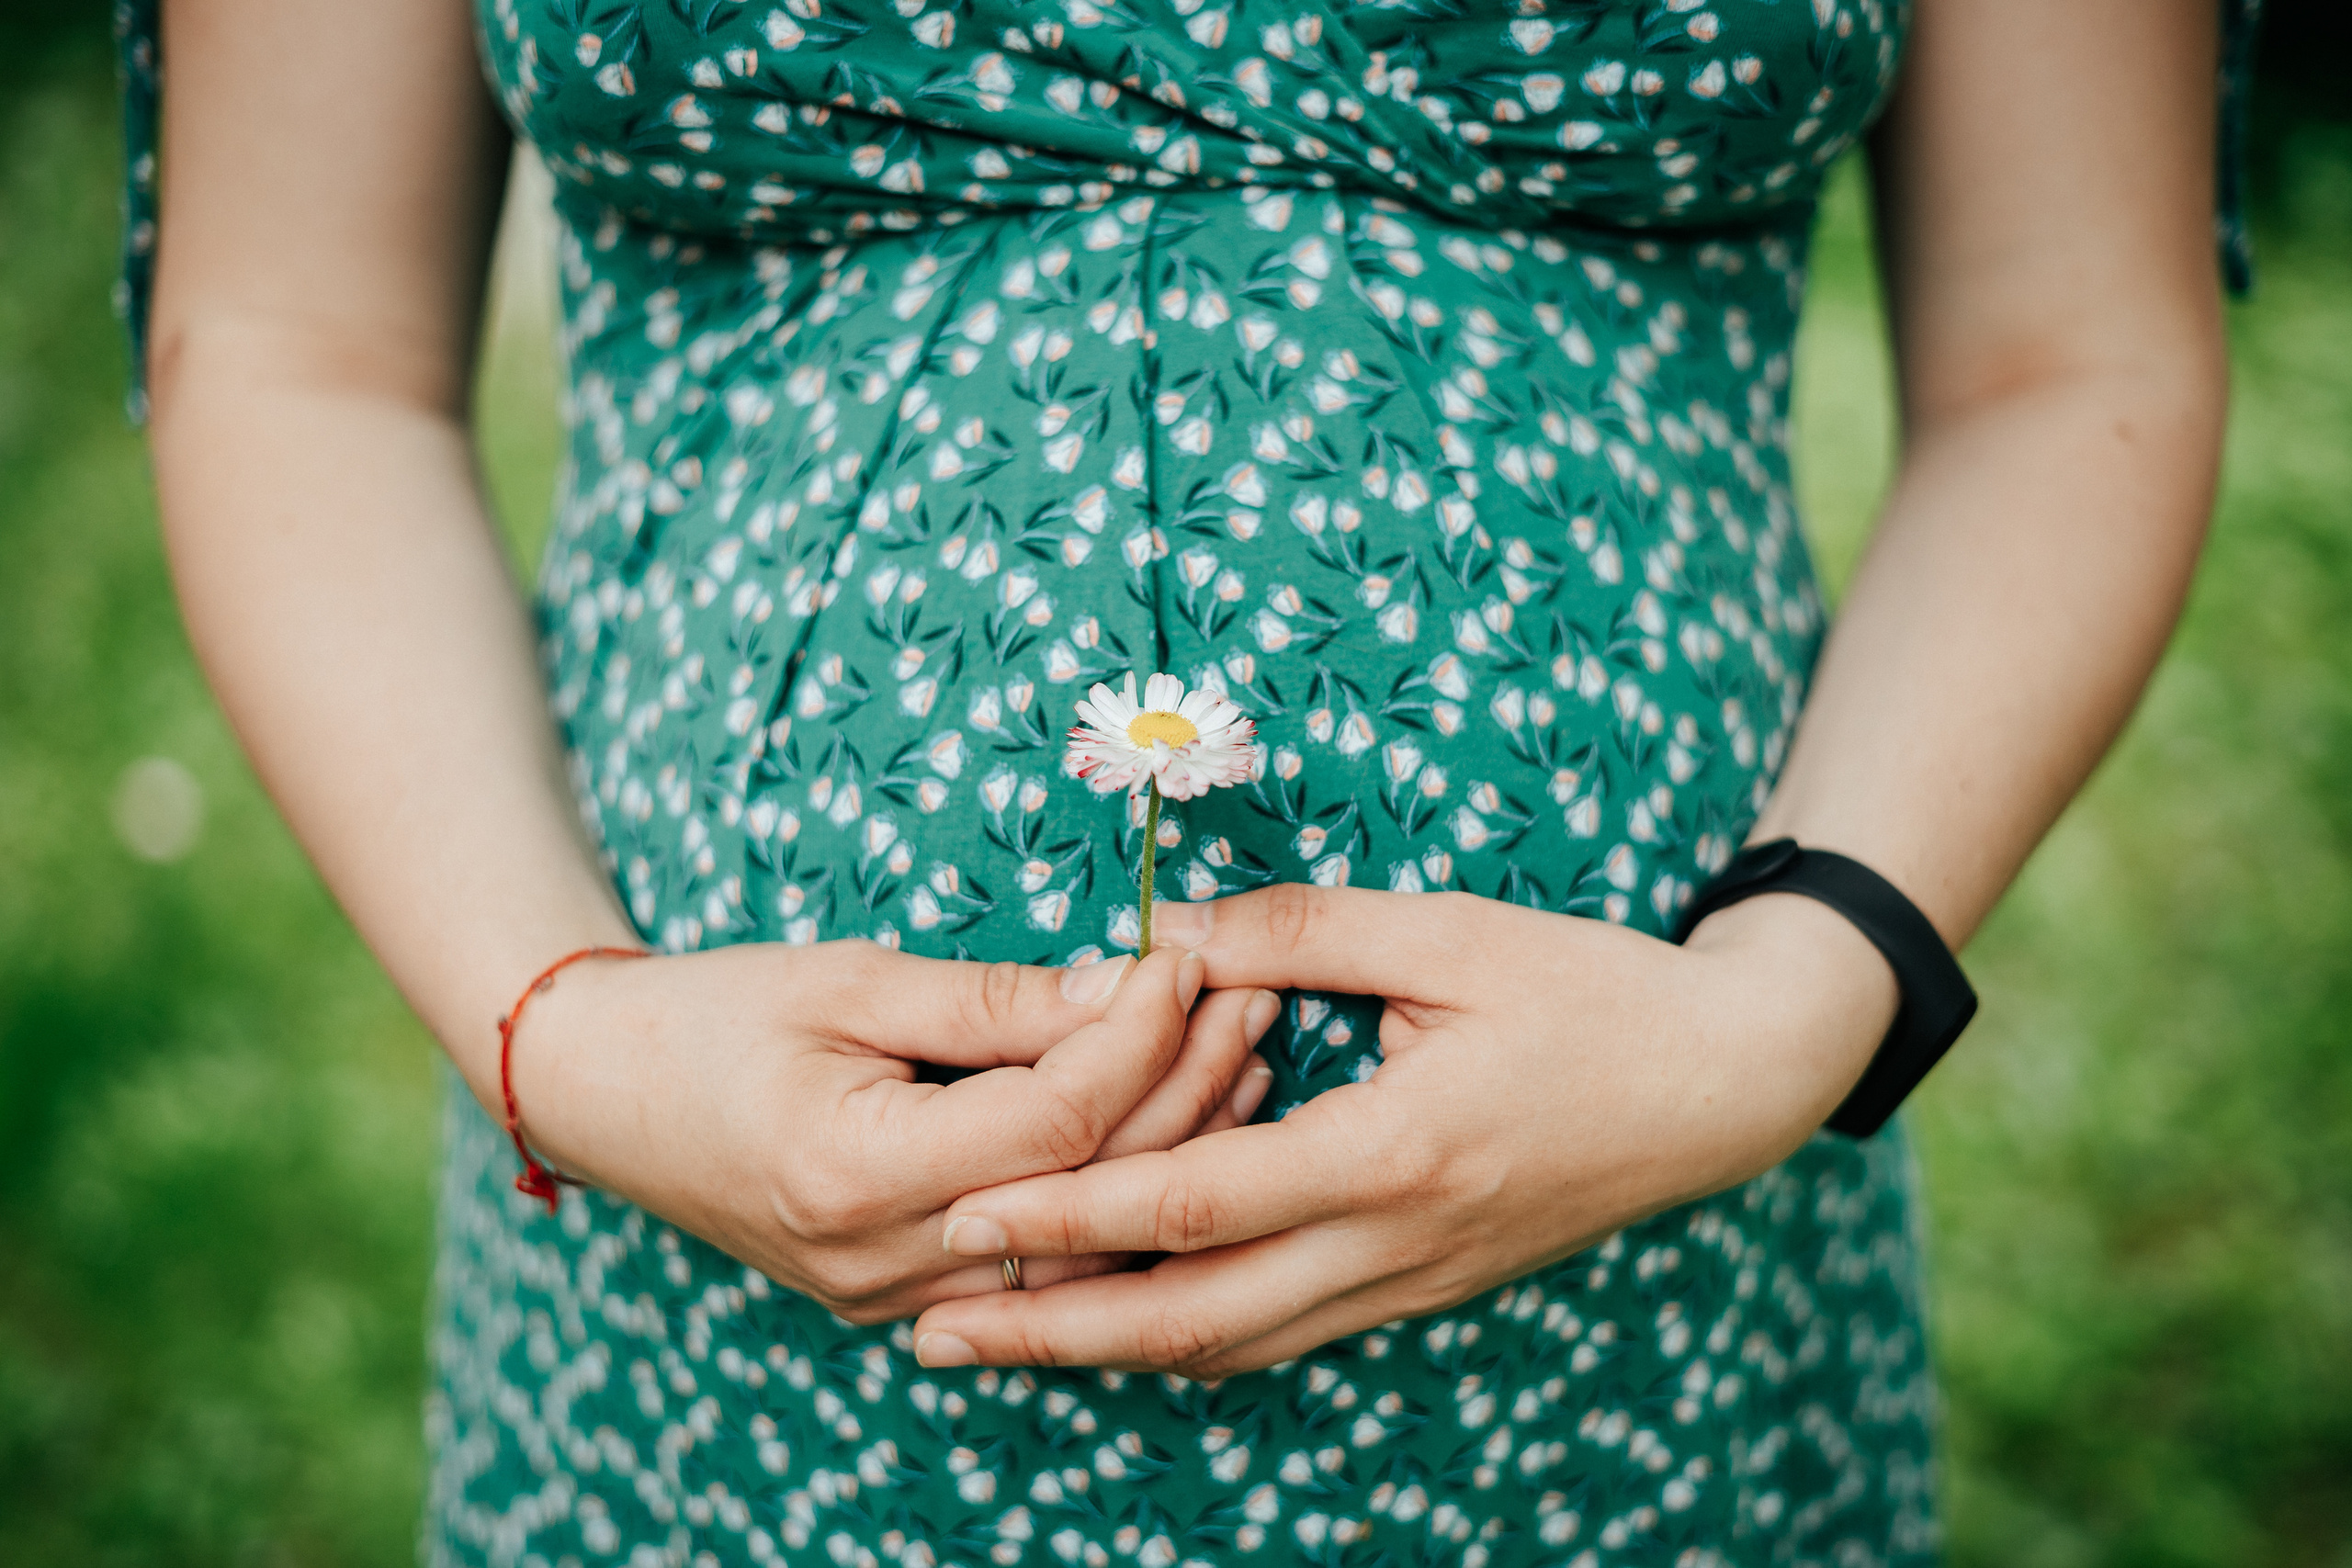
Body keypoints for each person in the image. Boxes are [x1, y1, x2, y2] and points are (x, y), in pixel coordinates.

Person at [127, 0, 2248, 1561]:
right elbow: (293, 339)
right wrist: (558, 1025)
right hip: (717, 1337)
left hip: (1638, 1310)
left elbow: (2072, 354)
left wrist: (1788, 999)